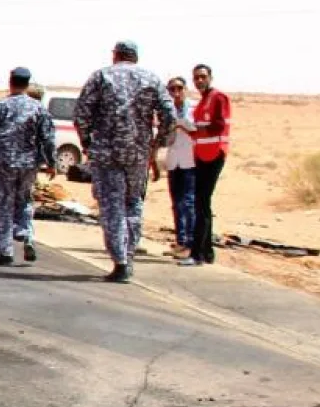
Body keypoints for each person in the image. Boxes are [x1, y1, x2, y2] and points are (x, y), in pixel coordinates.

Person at [73, 40, 174, 282]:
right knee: (133, 204)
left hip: (107, 154)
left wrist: (87, 142)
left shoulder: (101, 76)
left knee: (112, 207)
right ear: (135, 57)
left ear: (115, 55)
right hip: (137, 154)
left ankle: (120, 261)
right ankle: (128, 257)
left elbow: (81, 113)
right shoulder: (152, 79)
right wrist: (156, 143)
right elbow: (169, 115)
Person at [0, 66, 56, 266]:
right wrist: (51, 163)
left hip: (5, 162)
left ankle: (5, 252)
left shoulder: (1, 107)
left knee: (3, 205)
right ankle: (25, 234)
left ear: (11, 82)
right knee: (24, 200)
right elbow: (48, 138)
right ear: (27, 84)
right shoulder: (38, 108)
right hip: (29, 164)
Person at [181, 63, 231, 266]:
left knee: (201, 203)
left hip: (214, 155)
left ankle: (197, 254)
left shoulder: (219, 98)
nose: (199, 80)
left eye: (202, 76)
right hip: (201, 155)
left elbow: (218, 126)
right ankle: (207, 252)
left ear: (210, 77)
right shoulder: (202, 102)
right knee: (203, 203)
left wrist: (197, 129)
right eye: (196, 77)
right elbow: (199, 130)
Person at [163, 76, 196, 256]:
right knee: (176, 203)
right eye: (172, 89)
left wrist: (182, 124)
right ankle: (180, 241)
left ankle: (190, 243)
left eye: (179, 88)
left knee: (188, 202)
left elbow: (196, 129)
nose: (176, 92)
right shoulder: (168, 110)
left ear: (185, 89)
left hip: (190, 160)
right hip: (173, 160)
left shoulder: (194, 108)